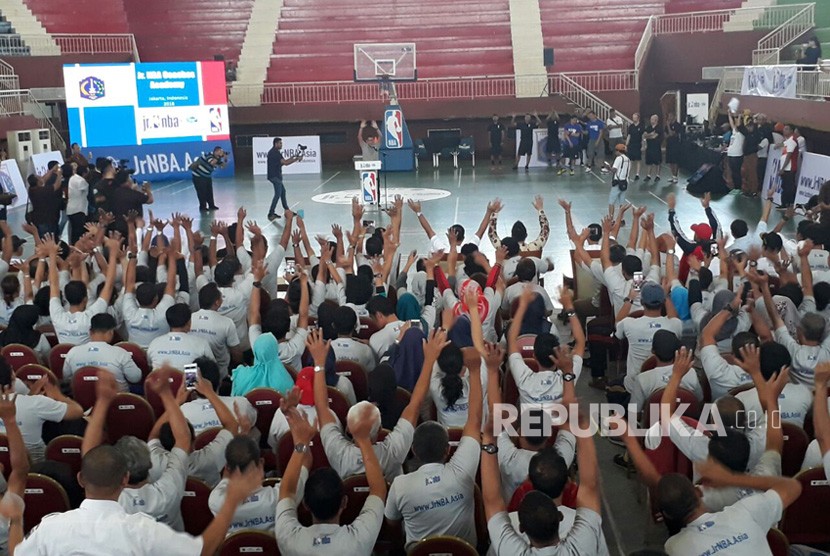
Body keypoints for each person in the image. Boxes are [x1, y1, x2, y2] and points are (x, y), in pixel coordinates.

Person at [12, 373, 263, 555]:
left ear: (81, 478)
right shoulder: (151, 515)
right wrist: (231, 501)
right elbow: (183, 440)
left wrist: (102, 403)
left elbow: (16, 553)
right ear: (123, 478)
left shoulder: (52, 528)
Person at [482, 353, 605, 556]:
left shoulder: (509, 459)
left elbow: (496, 417)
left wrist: (493, 371)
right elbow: (590, 485)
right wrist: (567, 374)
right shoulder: (583, 533)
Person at [385, 339, 483, 548]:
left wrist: (430, 357)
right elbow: (474, 421)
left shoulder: (400, 486)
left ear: (414, 452)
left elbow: (392, 524)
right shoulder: (464, 473)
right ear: (448, 450)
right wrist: (475, 372)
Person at [274, 396, 387, 555]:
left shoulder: (289, 540)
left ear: (305, 504)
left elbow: (287, 491)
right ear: (344, 502)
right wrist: (363, 439)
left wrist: (301, 441)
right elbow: (378, 489)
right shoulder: (357, 541)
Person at [62, 313, 142, 391]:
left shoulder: (73, 352)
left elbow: (67, 377)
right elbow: (135, 378)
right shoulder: (120, 353)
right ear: (110, 332)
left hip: (81, 402)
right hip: (115, 401)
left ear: (90, 331)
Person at [147, 303, 215, 371]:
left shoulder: (154, 343)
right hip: (189, 380)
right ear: (189, 323)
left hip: (160, 380)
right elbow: (212, 368)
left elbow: (149, 365)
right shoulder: (201, 344)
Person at [266, 137, 303, 220]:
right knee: (278, 194)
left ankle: (287, 210)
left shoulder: (274, 152)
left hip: (274, 176)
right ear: (276, 144)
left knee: (282, 192)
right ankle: (271, 213)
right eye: (280, 143)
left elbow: (283, 162)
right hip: (275, 176)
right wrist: (297, 159)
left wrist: (293, 157)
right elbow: (285, 163)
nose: (281, 144)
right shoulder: (275, 153)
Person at [26, 167, 62, 238]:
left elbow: (43, 178)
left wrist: (51, 170)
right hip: (46, 220)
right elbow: (56, 185)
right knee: (48, 239)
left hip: (39, 220)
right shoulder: (42, 191)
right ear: (37, 182)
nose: (41, 177)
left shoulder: (31, 189)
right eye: (39, 177)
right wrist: (59, 174)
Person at [189, 145, 226, 212]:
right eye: (220, 151)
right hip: (198, 176)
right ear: (216, 151)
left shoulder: (217, 158)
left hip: (206, 176)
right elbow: (212, 163)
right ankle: (203, 207)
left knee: (209, 191)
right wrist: (219, 157)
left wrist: (225, 159)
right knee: (202, 192)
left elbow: (222, 166)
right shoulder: (209, 155)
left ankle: (211, 205)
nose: (221, 153)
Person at [66, 163, 89, 245]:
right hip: (78, 210)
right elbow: (86, 190)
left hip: (70, 209)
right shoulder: (81, 181)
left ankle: (73, 246)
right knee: (78, 232)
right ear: (84, 173)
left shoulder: (72, 178)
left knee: (73, 232)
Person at [779, 124, 799, 207]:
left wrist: (782, 168)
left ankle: (788, 203)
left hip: (789, 168)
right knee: (785, 186)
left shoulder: (792, 141)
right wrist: (778, 145)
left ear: (791, 131)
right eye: (784, 129)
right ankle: (784, 203)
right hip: (787, 168)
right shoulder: (789, 140)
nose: (784, 130)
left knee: (789, 187)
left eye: (786, 129)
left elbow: (789, 156)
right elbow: (784, 144)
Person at [726, 110, 746, 192]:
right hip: (731, 154)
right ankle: (735, 187)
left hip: (737, 155)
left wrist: (740, 116)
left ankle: (738, 187)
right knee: (733, 172)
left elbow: (737, 125)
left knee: (736, 172)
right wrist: (729, 115)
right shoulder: (735, 132)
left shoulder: (741, 134)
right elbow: (732, 124)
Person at [608, 143, 631, 214]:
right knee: (622, 202)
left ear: (618, 151)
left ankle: (611, 218)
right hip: (625, 182)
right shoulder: (628, 159)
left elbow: (614, 170)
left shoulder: (618, 159)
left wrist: (608, 168)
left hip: (617, 182)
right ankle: (621, 219)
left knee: (611, 202)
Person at [664, 112, 683, 183]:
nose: (669, 117)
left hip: (675, 145)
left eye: (670, 116)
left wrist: (668, 126)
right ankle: (672, 175)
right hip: (669, 145)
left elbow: (672, 134)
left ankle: (676, 176)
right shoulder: (666, 126)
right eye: (668, 116)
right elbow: (666, 136)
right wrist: (669, 133)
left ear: (674, 117)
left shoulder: (677, 125)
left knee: (675, 161)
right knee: (670, 161)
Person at [643, 114, 662, 182]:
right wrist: (650, 134)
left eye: (652, 119)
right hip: (649, 146)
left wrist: (649, 135)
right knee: (649, 162)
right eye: (651, 119)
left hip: (656, 147)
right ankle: (648, 175)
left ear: (656, 120)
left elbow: (654, 136)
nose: (651, 121)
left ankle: (657, 175)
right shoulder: (649, 127)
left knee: (657, 162)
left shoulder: (659, 127)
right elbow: (644, 135)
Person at [626, 112, 644, 180]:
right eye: (633, 118)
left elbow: (643, 136)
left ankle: (637, 174)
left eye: (635, 118)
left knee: (638, 160)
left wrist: (643, 145)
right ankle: (628, 173)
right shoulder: (631, 126)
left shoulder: (641, 126)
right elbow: (629, 136)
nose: (633, 119)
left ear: (638, 118)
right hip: (631, 145)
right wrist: (626, 144)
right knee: (630, 160)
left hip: (638, 144)